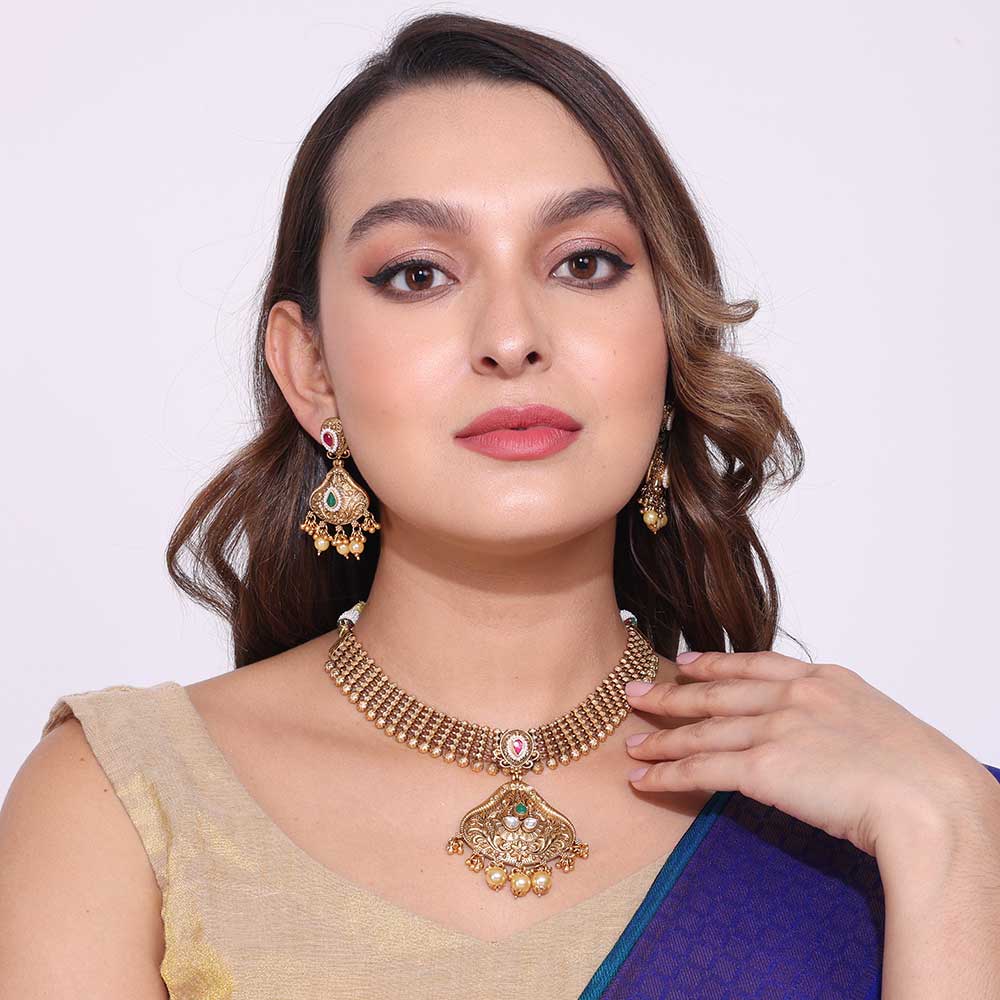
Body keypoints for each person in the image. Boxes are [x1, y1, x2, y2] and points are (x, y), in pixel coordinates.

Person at [2, 12, 998, 1000]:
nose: (512, 336)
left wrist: (950, 832)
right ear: (311, 371)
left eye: (583, 262)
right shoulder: (123, 805)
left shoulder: (870, 807)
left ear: (665, 340)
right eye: (418, 273)